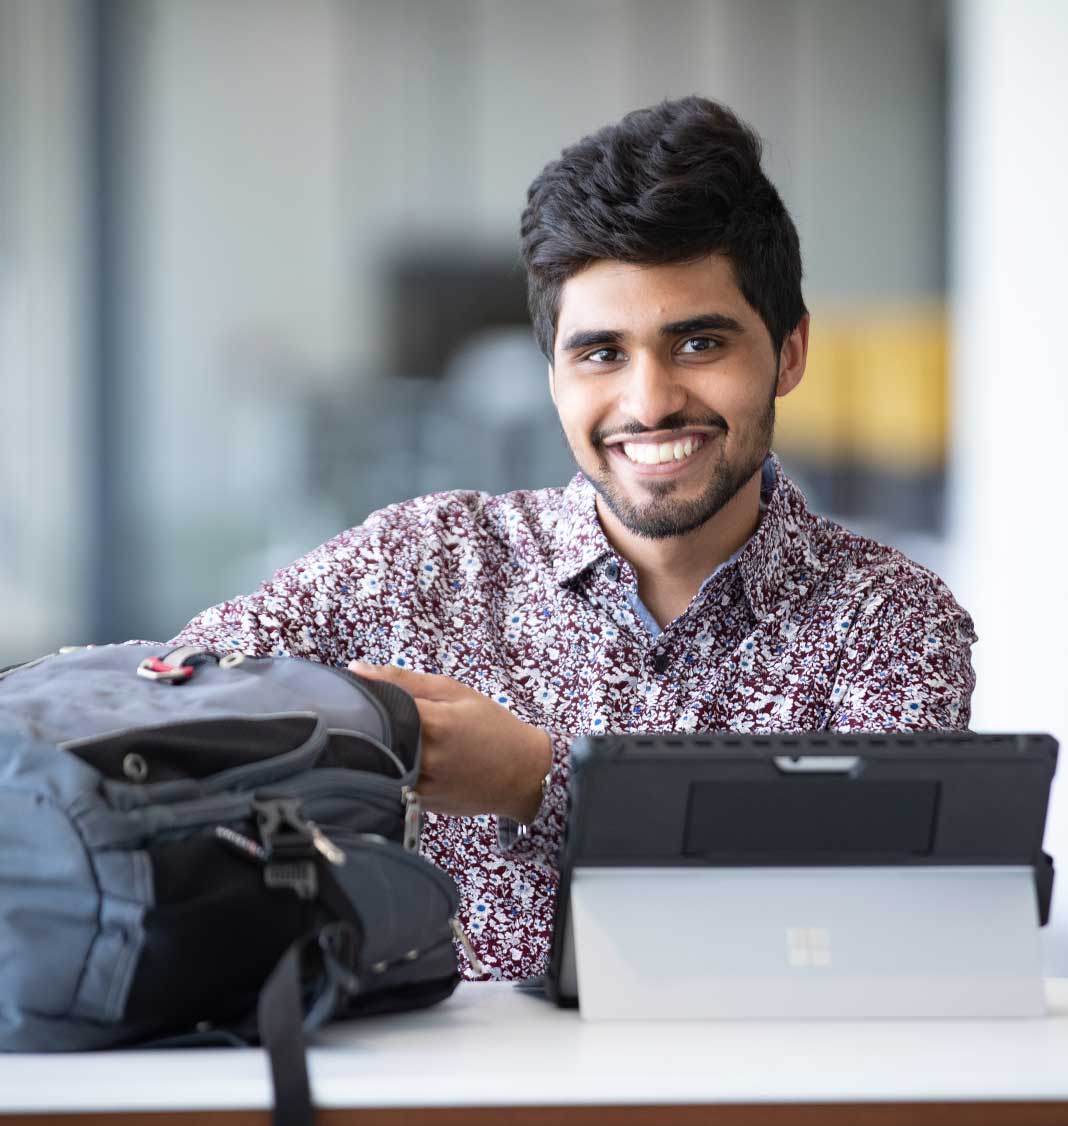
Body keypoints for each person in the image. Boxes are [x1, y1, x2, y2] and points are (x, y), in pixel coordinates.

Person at [173, 96, 976, 980]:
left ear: (788, 353)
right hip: (441, 1106)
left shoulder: (890, 622)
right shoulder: (419, 564)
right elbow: (164, 712)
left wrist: (540, 782)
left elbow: (868, 938)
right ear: (552, 372)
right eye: (601, 354)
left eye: (699, 343)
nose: (649, 402)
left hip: (748, 1102)